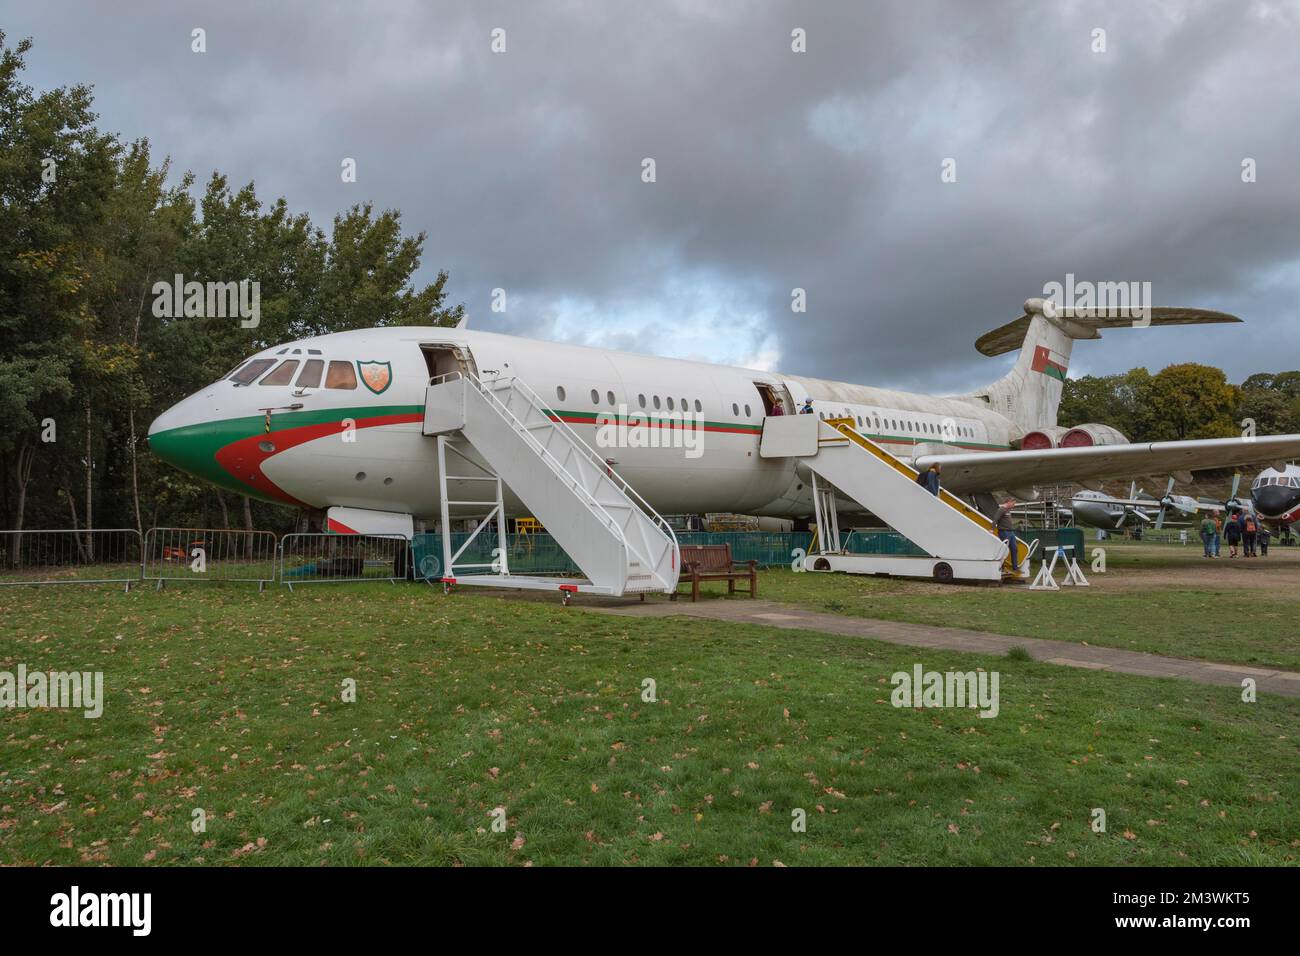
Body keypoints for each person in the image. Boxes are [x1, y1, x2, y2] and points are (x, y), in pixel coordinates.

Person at [993, 498, 1019, 573]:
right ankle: (1002, 567)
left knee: (1014, 548)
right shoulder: (1001, 509)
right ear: (1009, 502)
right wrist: (992, 529)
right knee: (1004, 550)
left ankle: (1015, 568)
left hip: (1011, 532)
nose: (1013, 506)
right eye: (1013, 504)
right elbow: (995, 519)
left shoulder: (1008, 510)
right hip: (1004, 532)